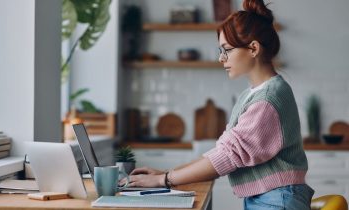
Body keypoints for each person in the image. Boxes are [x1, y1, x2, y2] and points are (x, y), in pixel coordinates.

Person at [121, 0, 314, 209]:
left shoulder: (268, 99)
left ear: (253, 48)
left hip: (279, 199)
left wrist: (165, 179)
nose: (221, 58)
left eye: (227, 50)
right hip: (271, 197)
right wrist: (168, 174)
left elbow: (228, 156)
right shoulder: (252, 94)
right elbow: (223, 150)